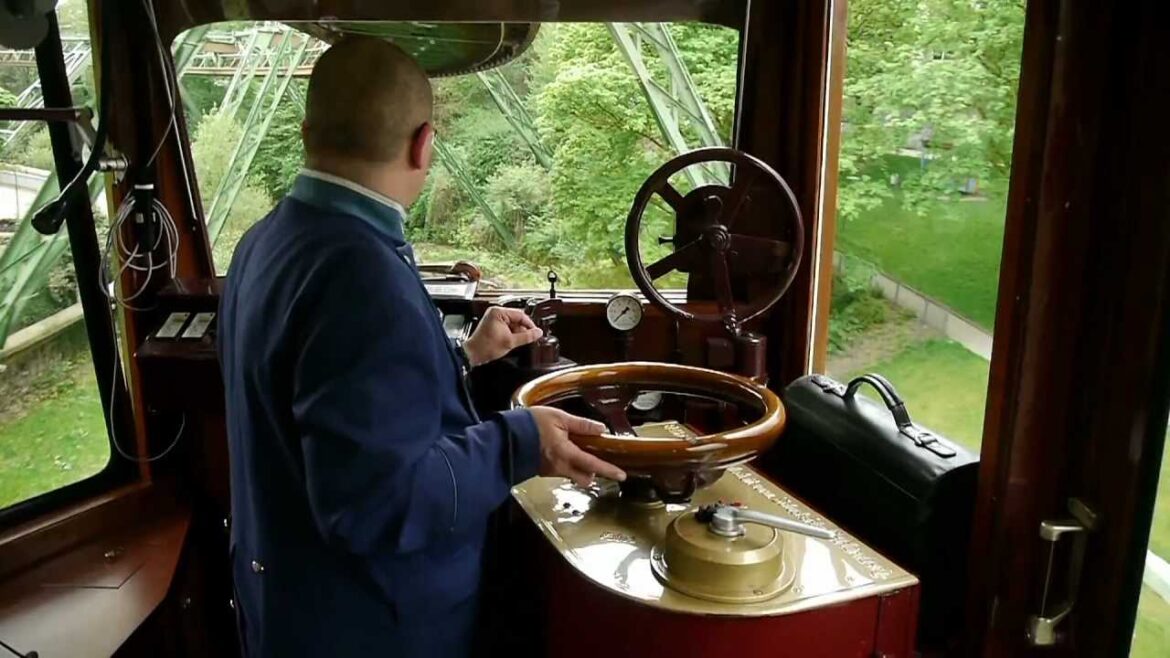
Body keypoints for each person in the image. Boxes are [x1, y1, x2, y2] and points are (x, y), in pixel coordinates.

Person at [217, 36, 625, 658]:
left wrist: (458, 357)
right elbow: (377, 501)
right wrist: (521, 440)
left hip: (287, 604)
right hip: (365, 628)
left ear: (306, 133)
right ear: (424, 144)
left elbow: (324, 401)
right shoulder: (361, 274)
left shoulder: (266, 242)